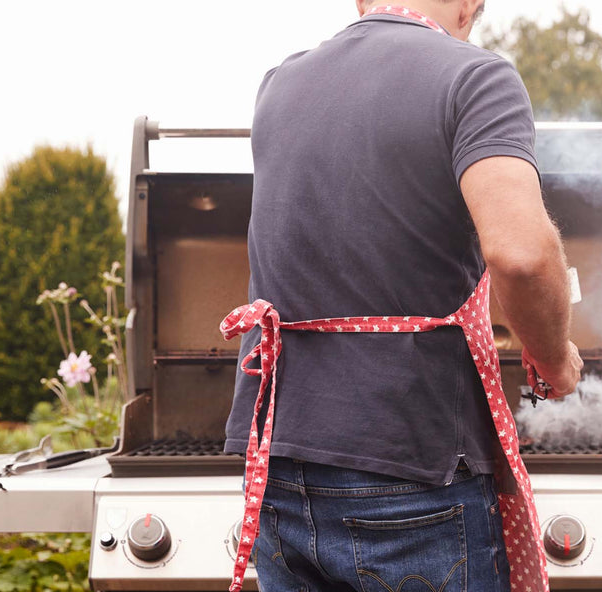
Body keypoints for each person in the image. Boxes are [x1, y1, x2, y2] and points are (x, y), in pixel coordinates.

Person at [221, 1, 583, 591]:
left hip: (276, 463)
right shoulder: (474, 76)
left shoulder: (279, 84)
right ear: (468, 5)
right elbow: (522, 256)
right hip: (408, 467)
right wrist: (555, 358)